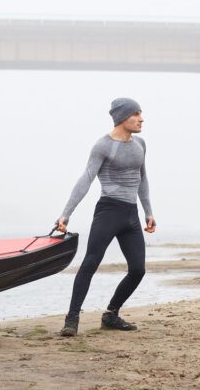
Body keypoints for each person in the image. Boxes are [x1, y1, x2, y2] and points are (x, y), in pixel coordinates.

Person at [56, 97, 156, 337]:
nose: (142, 119)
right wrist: (66, 214)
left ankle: (111, 314)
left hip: (131, 215)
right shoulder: (103, 146)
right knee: (90, 263)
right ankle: (72, 319)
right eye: (136, 114)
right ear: (122, 118)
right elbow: (86, 179)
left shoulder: (140, 144)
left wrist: (148, 211)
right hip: (109, 211)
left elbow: (142, 179)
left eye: (141, 114)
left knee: (138, 270)